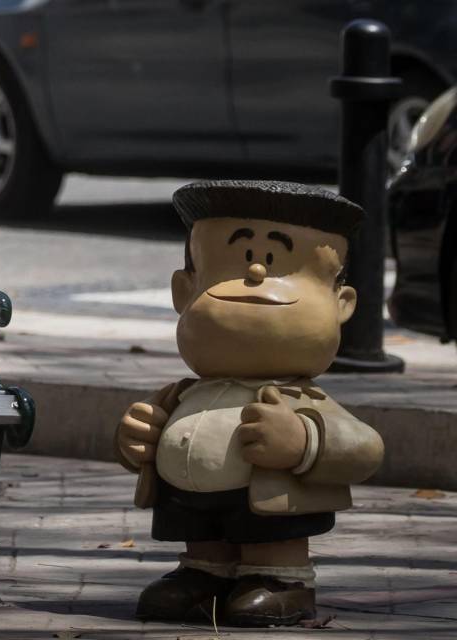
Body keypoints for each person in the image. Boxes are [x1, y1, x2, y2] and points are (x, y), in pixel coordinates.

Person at [116, 180, 384, 627]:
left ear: (342, 304)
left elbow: (365, 449)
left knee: (269, 536)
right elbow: (145, 431)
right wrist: (136, 437)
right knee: (200, 534)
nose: (257, 273)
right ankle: (205, 572)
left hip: (271, 505)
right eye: (236, 262)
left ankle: (280, 579)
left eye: (276, 261)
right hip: (189, 505)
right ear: (184, 291)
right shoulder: (183, 394)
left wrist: (305, 441)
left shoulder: (301, 400)